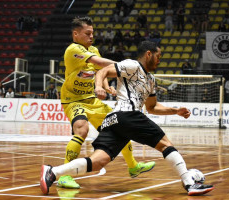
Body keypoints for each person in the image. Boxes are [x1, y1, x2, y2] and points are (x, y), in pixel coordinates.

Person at [40, 41, 214, 196]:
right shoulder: (132, 65)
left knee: (98, 162)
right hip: (126, 115)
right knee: (166, 144)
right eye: (158, 56)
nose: (159, 60)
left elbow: (152, 107)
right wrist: (99, 87)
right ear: (148, 54)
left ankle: (52, 172)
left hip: (115, 121)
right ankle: (189, 183)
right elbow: (103, 70)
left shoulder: (151, 79)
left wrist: (175, 111)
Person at [57, 17, 155, 189]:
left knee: (119, 126)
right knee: (82, 129)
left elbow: (100, 71)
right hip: (73, 100)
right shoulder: (73, 50)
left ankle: (133, 167)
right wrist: (131, 68)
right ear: (76, 34)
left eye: (92, 33)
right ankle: (64, 175)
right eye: (87, 33)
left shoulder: (93, 48)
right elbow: (98, 62)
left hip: (92, 101)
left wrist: (106, 86)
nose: (91, 36)